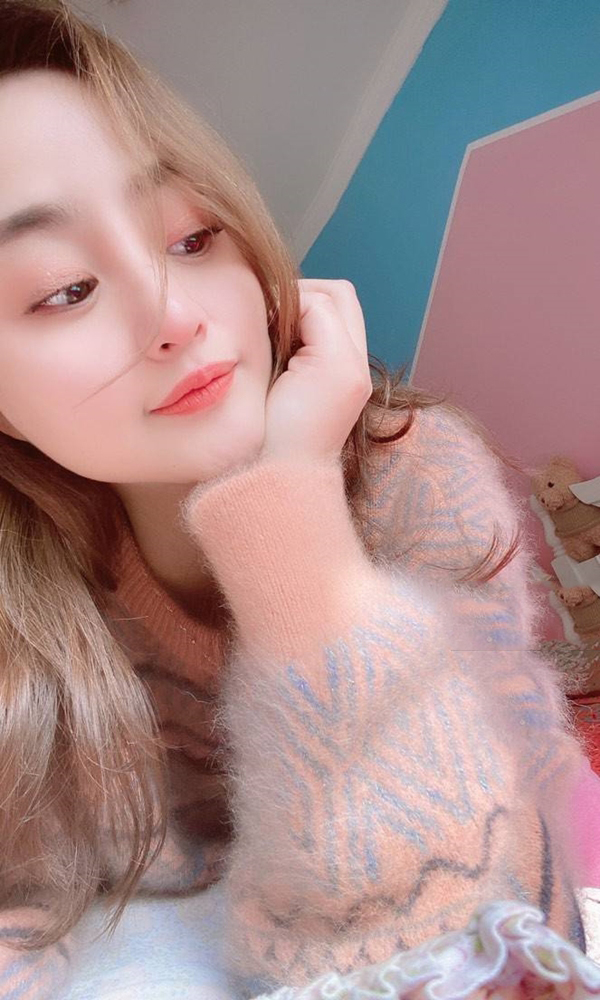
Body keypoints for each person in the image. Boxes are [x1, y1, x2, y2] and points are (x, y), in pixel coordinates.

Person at [0, 1, 599, 998]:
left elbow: (477, 938)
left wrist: (291, 528)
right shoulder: (32, 599)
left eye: (193, 236)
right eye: (65, 288)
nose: (173, 316)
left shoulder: (413, 477)